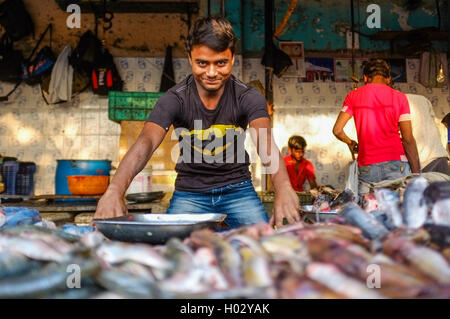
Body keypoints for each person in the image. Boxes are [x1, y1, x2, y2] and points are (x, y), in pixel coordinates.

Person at [94, 17, 300, 229]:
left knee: (263, 246)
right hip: (189, 195)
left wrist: (283, 188)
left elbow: (265, 142)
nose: (211, 73)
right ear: (190, 59)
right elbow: (146, 142)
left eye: (221, 62)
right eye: (202, 63)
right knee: (175, 252)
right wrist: (115, 190)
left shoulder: (248, 96)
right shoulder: (175, 98)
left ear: (232, 59)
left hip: (239, 192)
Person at [332, 59, 420, 195]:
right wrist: (416, 174)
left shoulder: (353, 96)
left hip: (367, 166)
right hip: (396, 164)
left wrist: (351, 142)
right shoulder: (400, 98)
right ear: (389, 78)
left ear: (365, 77)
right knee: (395, 212)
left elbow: (337, 130)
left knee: (368, 212)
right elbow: (407, 139)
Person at [406, 95, 449, 175]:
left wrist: (415, 172)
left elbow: (407, 139)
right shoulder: (423, 99)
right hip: (438, 154)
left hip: (422, 160)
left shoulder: (399, 101)